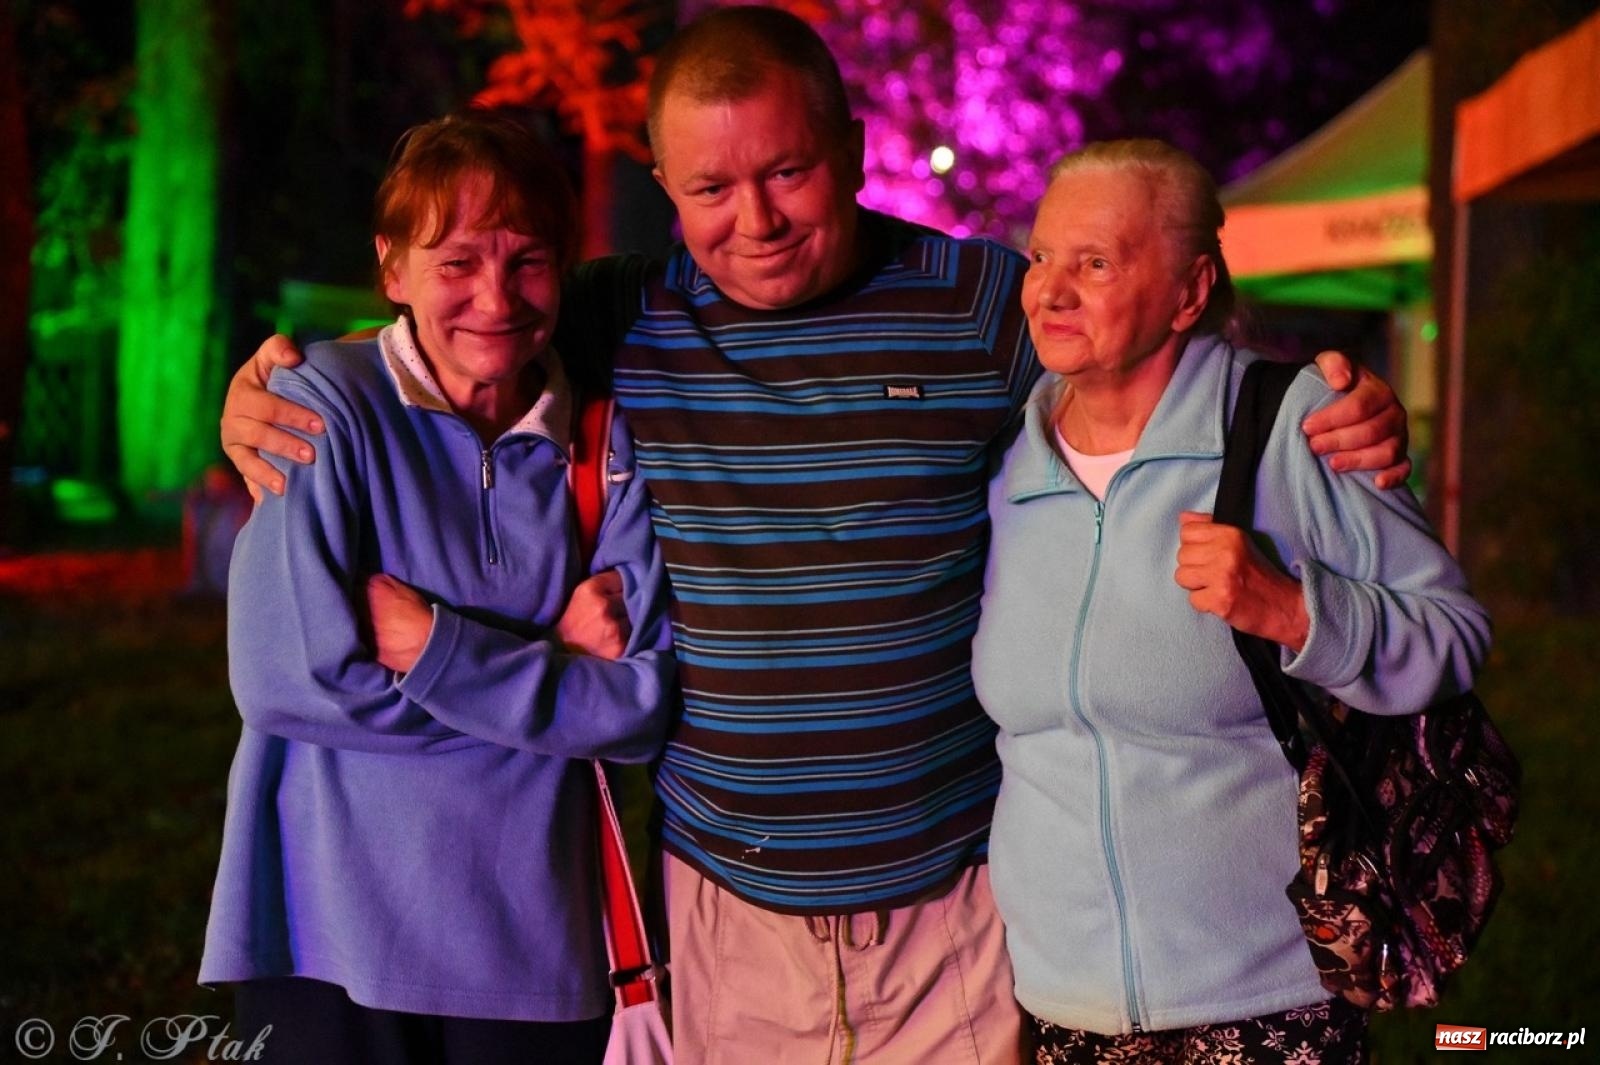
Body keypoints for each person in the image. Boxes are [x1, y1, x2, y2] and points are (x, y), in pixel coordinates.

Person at [218, 9, 1413, 1062]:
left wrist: (1319, 404)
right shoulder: (612, 313)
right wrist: (273, 389)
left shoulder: (985, 302)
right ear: (663, 182)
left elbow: (1159, 357)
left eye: (787, 173)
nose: (754, 221)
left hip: (956, 907)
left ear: (848, 150)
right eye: (708, 190)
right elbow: (450, 318)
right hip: (726, 912)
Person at [970, 139, 1489, 1065]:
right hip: (1060, 1011)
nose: (1049, 291)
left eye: (1095, 263)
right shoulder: (1006, 463)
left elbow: (1453, 635)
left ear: (1189, 289)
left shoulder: (1290, 423)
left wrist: (1297, 612)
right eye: (1042, 256)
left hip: (1266, 1007)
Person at [200, 110, 677, 1065]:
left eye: (528, 260)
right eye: (455, 262)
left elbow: (638, 711)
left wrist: (434, 648)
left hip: (533, 953)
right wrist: (551, 673)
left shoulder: (602, 444)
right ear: (392, 268)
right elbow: (286, 679)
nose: (494, 297)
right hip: (324, 933)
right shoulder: (324, 404)